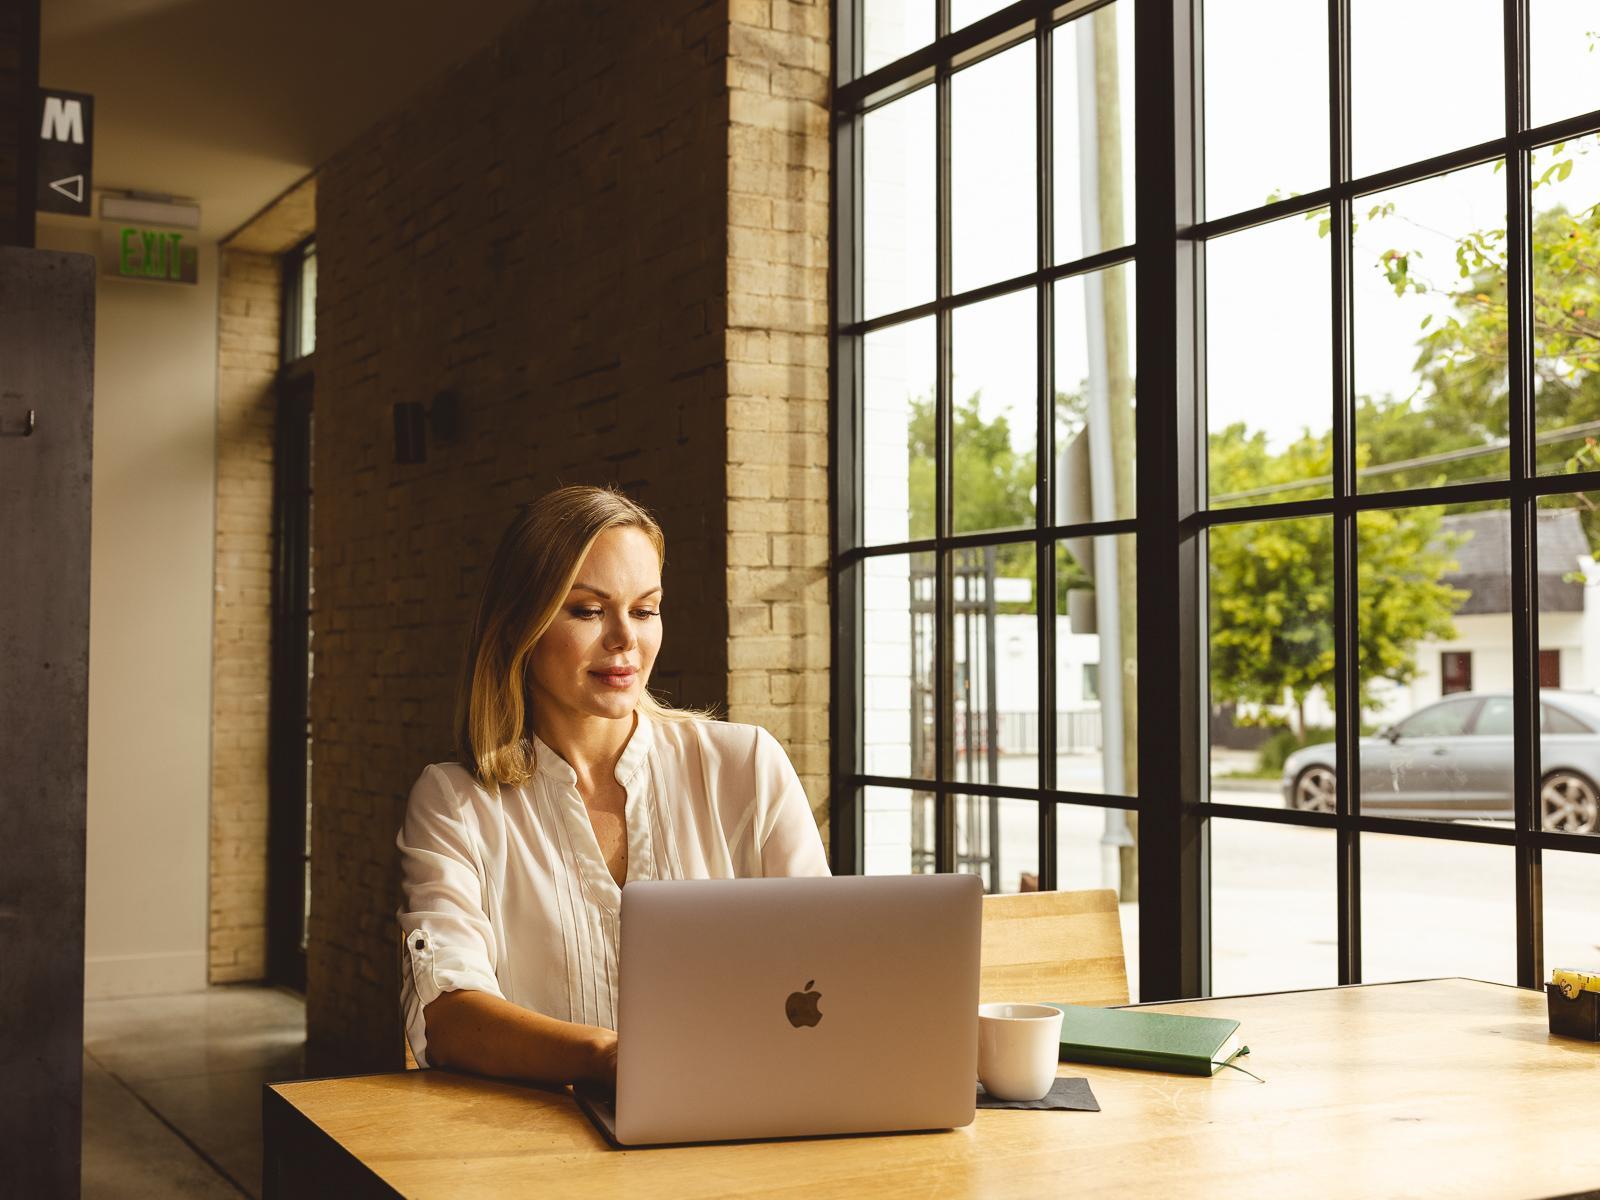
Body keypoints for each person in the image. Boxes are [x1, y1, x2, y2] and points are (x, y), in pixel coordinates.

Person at [396, 484, 829, 1088]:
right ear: (522, 624)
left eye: (645, 609)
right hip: (542, 1150)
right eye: (587, 611)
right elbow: (448, 1015)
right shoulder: (455, 801)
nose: (626, 638)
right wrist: (610, 1060)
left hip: (741, 1122)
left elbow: (824, 969)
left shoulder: (746, 765)